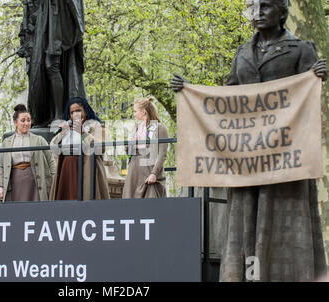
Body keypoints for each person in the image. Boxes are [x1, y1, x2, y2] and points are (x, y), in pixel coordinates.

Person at [171, 0, 328, 281]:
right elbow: (226, 100)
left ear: (282, 12)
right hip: (246, 161)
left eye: (265, 6)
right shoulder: (242, 52)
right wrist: (190, 91)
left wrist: (316, 78)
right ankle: (247, 276)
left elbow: (306, 99)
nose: (257, 13)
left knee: (282, 223)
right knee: (245, 221)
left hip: (285, 160)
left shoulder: (301, 49)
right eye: (253, 7)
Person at [17, 0, 86, 127]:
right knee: (45, 69)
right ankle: (51, 115)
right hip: (45, 22)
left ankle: (59, 115)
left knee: (51, 66)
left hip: (57, 21)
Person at [50, 97, 110, 200]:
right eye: (72, 112)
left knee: (86, 199)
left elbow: (101, 148)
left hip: (87, 169)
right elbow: (53, 146)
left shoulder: (96, 126)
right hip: (67, 168)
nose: (75, 114)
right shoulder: (68, 127)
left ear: (85, 111)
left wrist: (83, 133)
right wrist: (63, 132)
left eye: (78, 111)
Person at [0, 104, 56, 202]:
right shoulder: (7, 142)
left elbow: (51, 161)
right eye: (23, 120)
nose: (26, 123)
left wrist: (54, 181)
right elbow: (0, 166)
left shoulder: (39, 140)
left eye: (29, 120)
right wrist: (0, 186)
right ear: (15, 122)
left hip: (35, 181)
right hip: (15, 181)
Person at [122, 97, 169, 199]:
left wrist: (154, 173)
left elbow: (162, 154)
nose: (134, 114)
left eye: (135, 111)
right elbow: (130, 154)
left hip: (149, 174)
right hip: (134, 174)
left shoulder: (160, 127)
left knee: (151, 208)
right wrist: (129, 144)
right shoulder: (136, 128)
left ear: (143, 112)